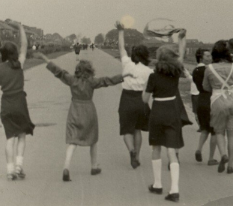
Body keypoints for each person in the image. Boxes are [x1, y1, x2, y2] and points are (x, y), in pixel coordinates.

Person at [35, 52, 124, 181]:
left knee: (73, 140)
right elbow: (106, 81)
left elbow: (59, 71)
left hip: (75, 110)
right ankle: (94, 166)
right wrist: (123, 77)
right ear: (90, 71)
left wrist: (45, 58)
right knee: (93, 139)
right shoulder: (92, 82)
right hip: (89, 110)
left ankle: (66, 167)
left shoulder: (72, 80)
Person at [142, 29, 187, 203]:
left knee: (156, 148)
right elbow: (181, 57)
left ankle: (158, 184)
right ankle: (174, 189)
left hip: (158, 111)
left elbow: (145, 99)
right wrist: (182, 40)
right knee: (172, 151)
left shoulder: (153, 76)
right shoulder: (176, 73)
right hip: (172, 111)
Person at [0, 23, 35, 180]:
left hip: (6, 104)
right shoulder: (20, 65)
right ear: (15, 53)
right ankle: (19, 166)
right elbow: (25, 44)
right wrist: (21, 28)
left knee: (9, 138)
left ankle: (10, 170)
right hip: (20, 103)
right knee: (22, 136)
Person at [203, 40, 233, 174]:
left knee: (219, 131)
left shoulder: (209, 68)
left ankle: (223, 155)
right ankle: (231, 166)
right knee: (232, 134)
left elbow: (205, 87)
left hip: (217, 101)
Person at [115, 21, 153, 169]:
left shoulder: (126, 63)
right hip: (141, 100)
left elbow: (121, 48)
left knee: (126, 130)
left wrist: (120, 32)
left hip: (126, 98)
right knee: (137, 130)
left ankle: (131, 150)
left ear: (133, 54)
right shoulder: (149, 71)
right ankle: (137, 156)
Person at [193, 48, 218, 166]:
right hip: (210, 99)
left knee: (204, 129)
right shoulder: (209, 70)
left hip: (200, 100)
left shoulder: (195, 70)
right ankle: (211, 158)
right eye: (207, 56)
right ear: (201, 57)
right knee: (214, 131)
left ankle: (198, 149)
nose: (210, 58)